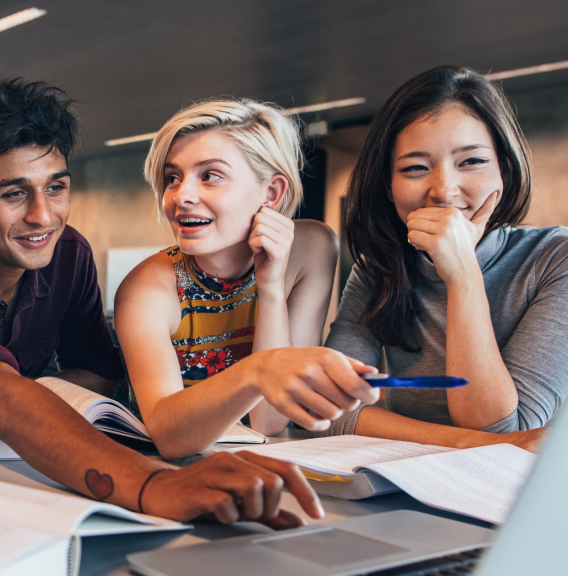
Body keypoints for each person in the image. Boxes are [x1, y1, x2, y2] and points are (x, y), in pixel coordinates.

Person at [0, 78, 325, 527]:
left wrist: (32, 401)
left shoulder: (66, 254)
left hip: (12, 466)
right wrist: (154, 485)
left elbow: (97, 373)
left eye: (56, 187)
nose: (43, 216)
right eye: (14, 194)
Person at [322, 65, 568, 452]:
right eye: (415, 168)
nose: (444, 191)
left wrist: (462, 274)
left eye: (471, 161)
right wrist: (464, 442)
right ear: (388, 188)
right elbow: (331, 409)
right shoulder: (379, 267)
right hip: (409, 477)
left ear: (504, 170)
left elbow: (501, 427)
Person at [115, 99, 379, 460]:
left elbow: (271, 420)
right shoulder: (147, 287)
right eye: (172, 178)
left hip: (258, 459)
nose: (181, 196)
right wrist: (258, 371)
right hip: (166, 467)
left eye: (210, 175)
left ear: (271, 193)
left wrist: (270, 289)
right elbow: (169, 437)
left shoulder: (311, 248)